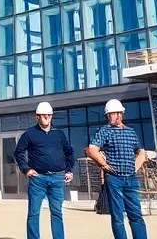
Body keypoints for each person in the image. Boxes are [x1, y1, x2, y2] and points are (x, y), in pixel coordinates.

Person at [86, 99, 148, 239]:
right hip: (114, 177)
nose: (118, 116)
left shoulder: (130, 132)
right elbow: (93, 148)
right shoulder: (105, 131)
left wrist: (135, 168)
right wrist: (103, 164)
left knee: (136, 214)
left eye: (120, 113)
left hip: (131, 178)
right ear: (108, 115)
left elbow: (140, 152)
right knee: (117, 215)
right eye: (114, 114)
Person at [14, 101, 75, 239]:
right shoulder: (29, 134)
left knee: (57, 213)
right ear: (37, 117)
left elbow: (69, 152)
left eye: (49, 115)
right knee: (34, 213)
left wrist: (69, 170)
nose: (47, 118)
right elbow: (19, 152)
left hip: (58, 178)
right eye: (44, 115)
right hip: (38, 179)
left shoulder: (59, 134)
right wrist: (26, 169)